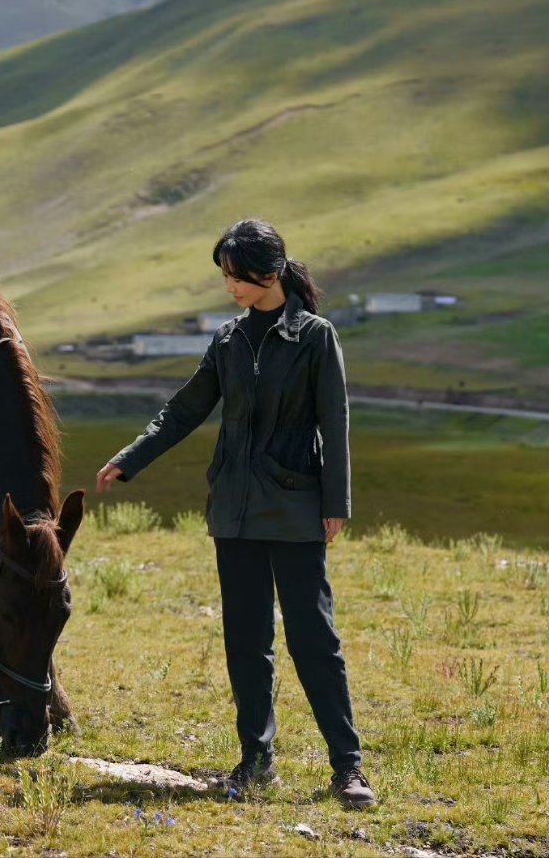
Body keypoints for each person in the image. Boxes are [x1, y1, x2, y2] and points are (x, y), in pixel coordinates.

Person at [94, 218, 373, 809]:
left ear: (269, 274)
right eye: (224, 276)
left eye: (236, 277)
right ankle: (255, 759)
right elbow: (183, 410)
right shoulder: (227, 340)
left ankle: (347, 767)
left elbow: (335, 420)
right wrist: (129, 458)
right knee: (246, 640)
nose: (229, 287)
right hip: (233, 512)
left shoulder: (315, 337)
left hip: (296, 508)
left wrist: (336, 503)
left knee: (313, 638)